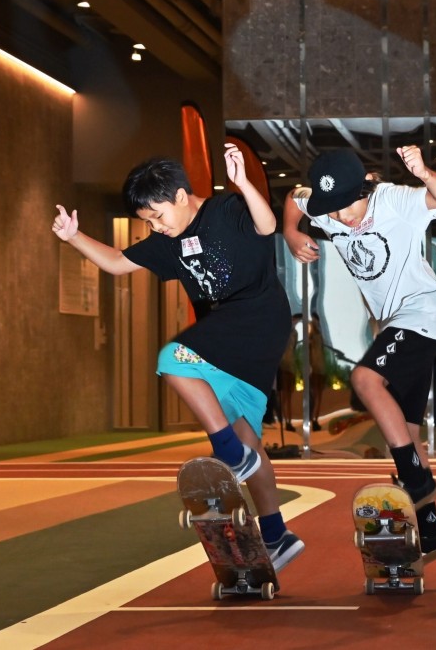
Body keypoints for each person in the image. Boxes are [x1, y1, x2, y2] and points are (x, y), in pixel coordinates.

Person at [51, 144, 305, 570]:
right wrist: (73, 236)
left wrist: (244, 184)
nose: (156, 227)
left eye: (158, 215)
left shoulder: (227, 210)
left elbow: (267, 225)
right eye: (147, 221)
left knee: (173, 358)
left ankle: (229, 453)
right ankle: (278, 535)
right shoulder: (167, 242)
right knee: (248, 439)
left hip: (257, 316)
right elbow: (117, 262)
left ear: (182, 196)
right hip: (231, 337)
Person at [283, 146, 436, 562]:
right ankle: (433, 530)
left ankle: (415, 481)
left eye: (348, 206)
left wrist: (424, 172)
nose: (342, 217)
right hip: (398, 323)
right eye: (333, 210)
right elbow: (293, 197)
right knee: (408, 431)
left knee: (365, 379)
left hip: (424, 313)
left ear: (364, 188)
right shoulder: (327, 208)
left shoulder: (392, 200)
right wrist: (291, 233)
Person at [276, 314, 301, 432]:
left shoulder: (295, 333)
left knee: (289, 396)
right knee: (284, 396)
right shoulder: (283, 331)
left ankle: (288, 421)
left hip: (291, 366)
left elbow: (293, 349)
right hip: (283, 366)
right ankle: (285, 420)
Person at [305, 312, 327, 432]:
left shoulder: (319, 336)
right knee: (314, 395)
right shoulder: (311, 336)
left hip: (320, 367)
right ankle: (312, 419)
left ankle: (315, 419)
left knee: (318, 396)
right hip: (314, 368)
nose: (315, 323)